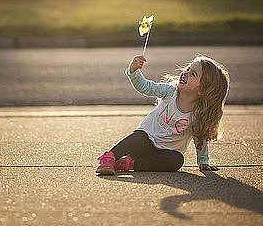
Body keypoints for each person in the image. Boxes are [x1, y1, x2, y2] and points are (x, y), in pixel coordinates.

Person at [96, 53, 230, 175]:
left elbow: (200, 137)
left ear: (203, 90)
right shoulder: (169, 92)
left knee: (176, 160)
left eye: (193, 74)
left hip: (163, 154)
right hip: (144, 143)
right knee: (139, 136)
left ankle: (129, 164)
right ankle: (109, 157)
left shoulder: (198, 113)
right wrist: (134, 72)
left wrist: (203, 161)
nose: (185, 73)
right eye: (188, 69)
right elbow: (145, 87)